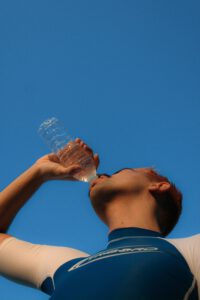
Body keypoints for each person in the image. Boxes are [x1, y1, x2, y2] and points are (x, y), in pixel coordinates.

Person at [0, 138, 199, 300]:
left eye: (120, 171)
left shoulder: (189, 252)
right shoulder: (66, 264)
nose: (102, 173)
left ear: (159, 185)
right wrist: (39, 173)